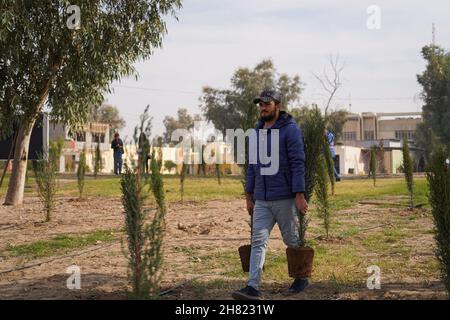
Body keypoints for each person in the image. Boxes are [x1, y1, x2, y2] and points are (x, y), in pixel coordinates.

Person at [232, 90, 308, 300]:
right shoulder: (256, 132)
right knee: (258, 241)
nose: (263, 107)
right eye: (260, 104)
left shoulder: (290, 130)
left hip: (285, 197)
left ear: (277, 105)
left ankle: (301, 277)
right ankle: (253, 287)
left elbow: (297, 162)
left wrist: (299, 194)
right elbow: (252, 166)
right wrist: (249, 195)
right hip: (262, 199)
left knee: (292, 239)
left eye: (267, 103)